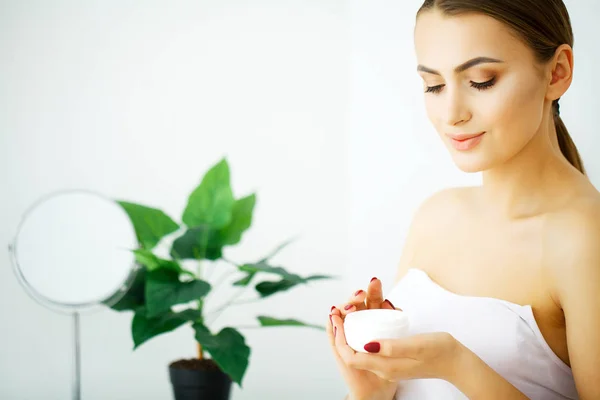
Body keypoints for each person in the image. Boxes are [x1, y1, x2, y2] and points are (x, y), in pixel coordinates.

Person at [327, 0, 600, 399]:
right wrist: (374, 388)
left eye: (481, 80)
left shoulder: (584, 239)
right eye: (433, 85)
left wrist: (457, 364)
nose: (451, 113)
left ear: (556, 73)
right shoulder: (435, 215)